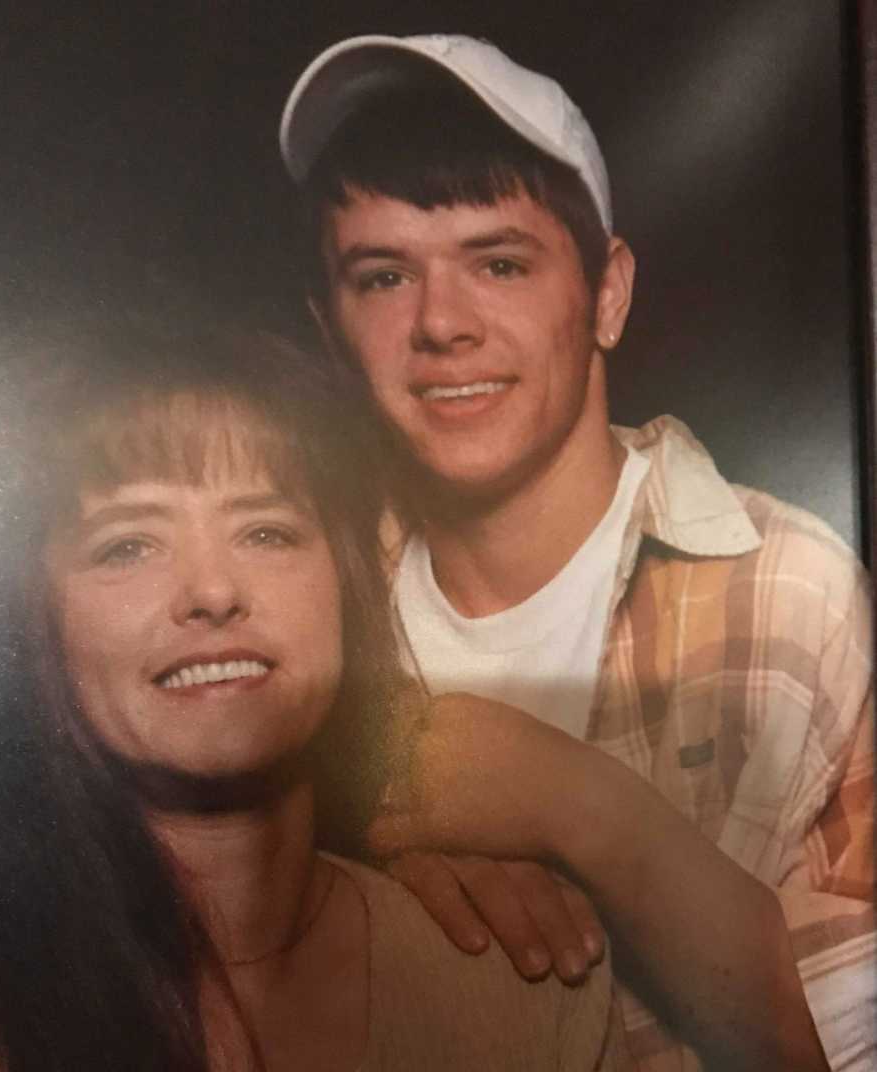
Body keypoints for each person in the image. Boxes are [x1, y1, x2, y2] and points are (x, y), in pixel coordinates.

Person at [279, 33, 876, 1071]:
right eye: (382, 277)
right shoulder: (291, 616)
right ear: (329, 330)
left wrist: (568, 803)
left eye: (500, 262)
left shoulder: (799, 592)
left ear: (607, 294)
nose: (442, 325)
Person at [0, 321, 630, 1071]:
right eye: (127, 545)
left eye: (266, 532)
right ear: (37, 624)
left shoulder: (515, 982)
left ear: (347, 586)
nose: (213, 592)